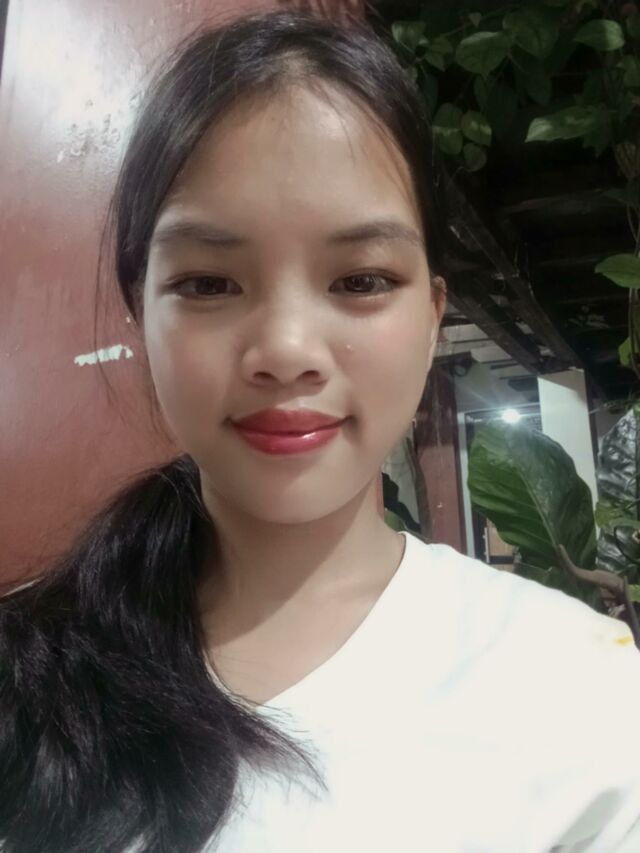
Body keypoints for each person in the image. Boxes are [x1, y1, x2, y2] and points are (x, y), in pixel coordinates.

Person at [2, 8, 640, 852]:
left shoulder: (578, 691)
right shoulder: (28, 672)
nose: (287, 352)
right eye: (209, 283)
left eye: (361, 279)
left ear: (432, 318)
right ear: (139, 311)